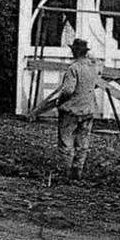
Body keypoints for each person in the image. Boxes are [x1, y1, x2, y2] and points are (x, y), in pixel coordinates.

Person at [50, 37, 101, 181]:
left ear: (75, 51)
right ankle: (77, 171)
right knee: (82, 143)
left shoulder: (73, 68)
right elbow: (95, 83)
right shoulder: (93, 67)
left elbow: (68, 91)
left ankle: (65, 172)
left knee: (66, 142)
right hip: (88, 109)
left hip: (71, 110)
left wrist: (60, 101)